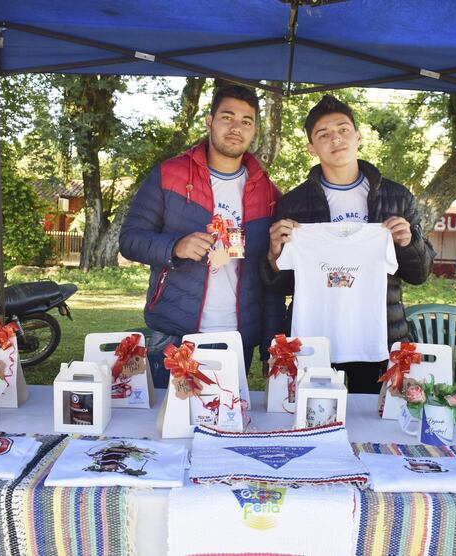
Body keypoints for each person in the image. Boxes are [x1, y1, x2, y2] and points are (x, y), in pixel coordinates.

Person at [262, 94, 435, 393]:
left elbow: (420, 274)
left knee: (371, 421)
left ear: (359, 136)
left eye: (343, 130)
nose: (336, 139)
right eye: (324, 134)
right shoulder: (293, 203)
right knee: (311, 418)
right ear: (311, 147)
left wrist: (409, 242)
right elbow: (284, 285)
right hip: (316, 338)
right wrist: (274, 254)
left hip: (377, 335)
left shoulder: (397, 197)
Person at [119, 85, 284, 387]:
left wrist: (270, 344)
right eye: (228, 117)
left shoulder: (268, 192)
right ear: (209, 121)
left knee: (226, 426)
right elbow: (130, 239)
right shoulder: (170, 174)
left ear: (254, 129)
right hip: (174, 332)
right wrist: (175, 246)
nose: (237, 128)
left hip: (237, 340)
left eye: (247, 121)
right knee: (167, 426)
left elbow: (269, 277)